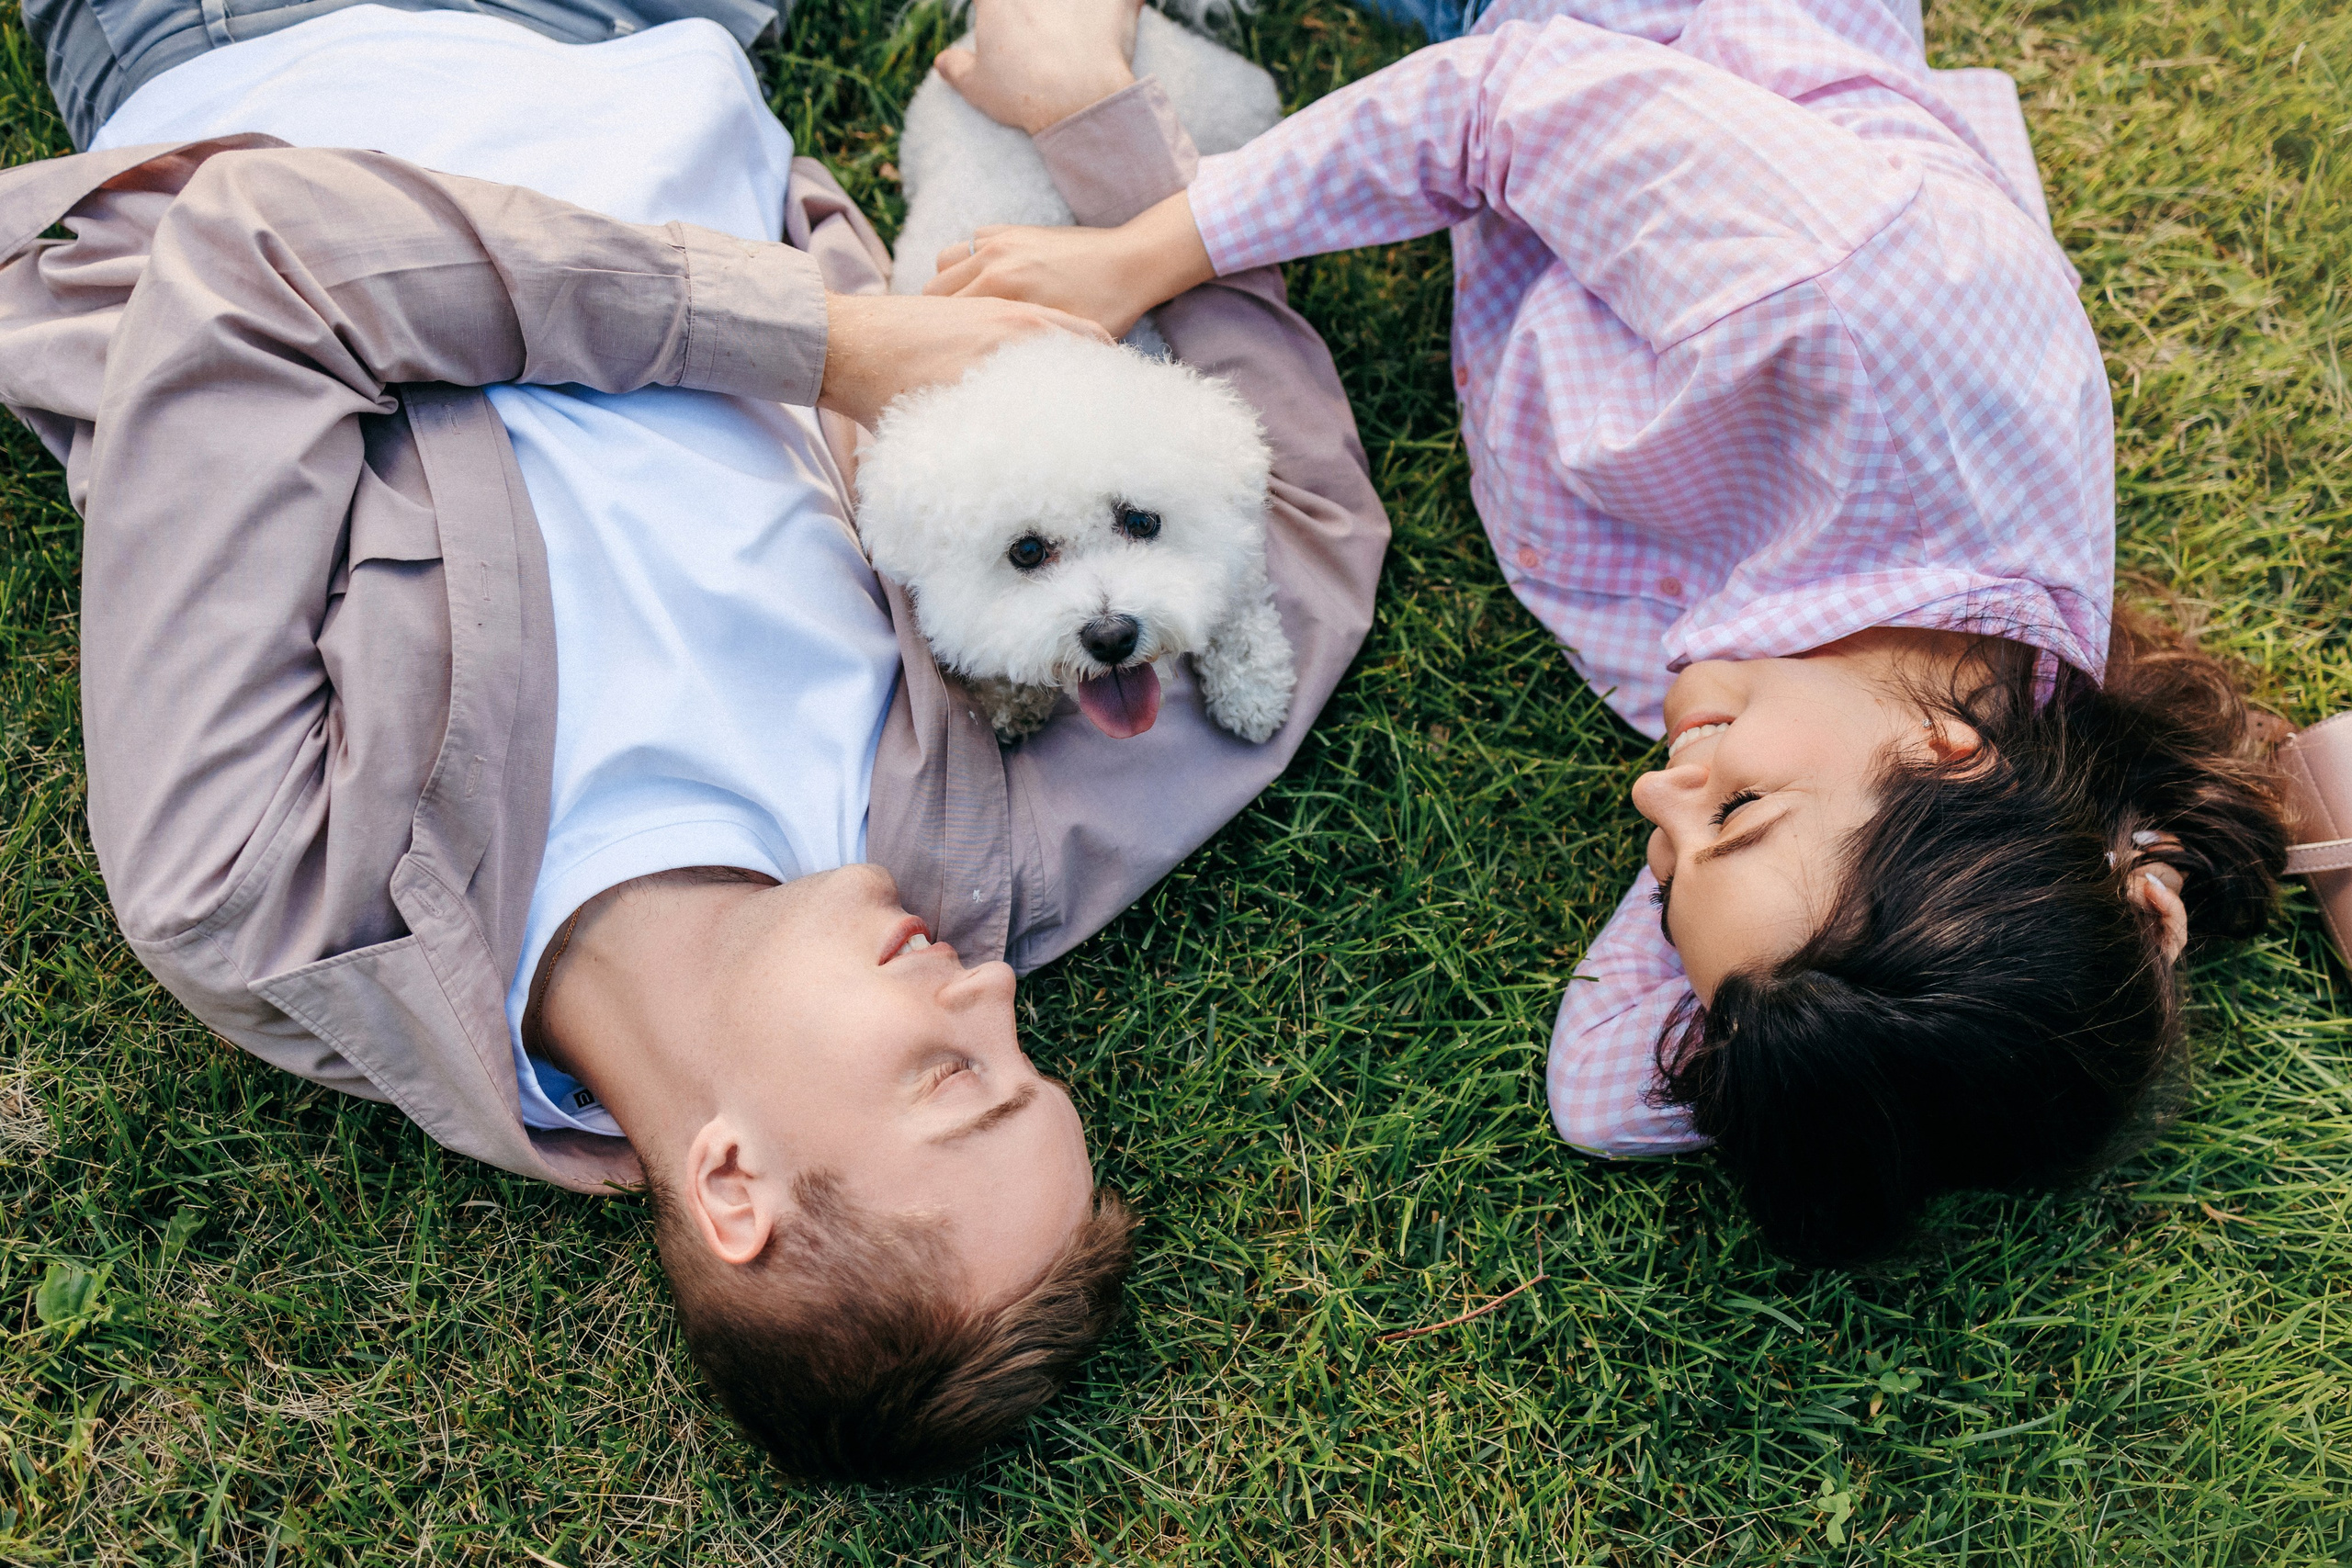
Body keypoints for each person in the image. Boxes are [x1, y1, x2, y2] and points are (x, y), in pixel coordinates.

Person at [0, 0, 1387, 1476]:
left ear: (735, 1184)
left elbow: (259, 254)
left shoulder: (266, 882)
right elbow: (1301, 541)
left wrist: (823, 343)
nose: (987, 986)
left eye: (950, 1079)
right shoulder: (980, 853)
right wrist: (1096, 131)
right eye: (1023, 1052)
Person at [933, 0, 2308, 1264]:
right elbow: (1492, 106)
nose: (1656, 789)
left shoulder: (1893, 751)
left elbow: (1600, 1091)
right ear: (1950, 755)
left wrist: (2070, 923)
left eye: (1667, 870)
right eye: (1737, 812)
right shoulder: (1851, 315)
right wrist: (1134, 253)